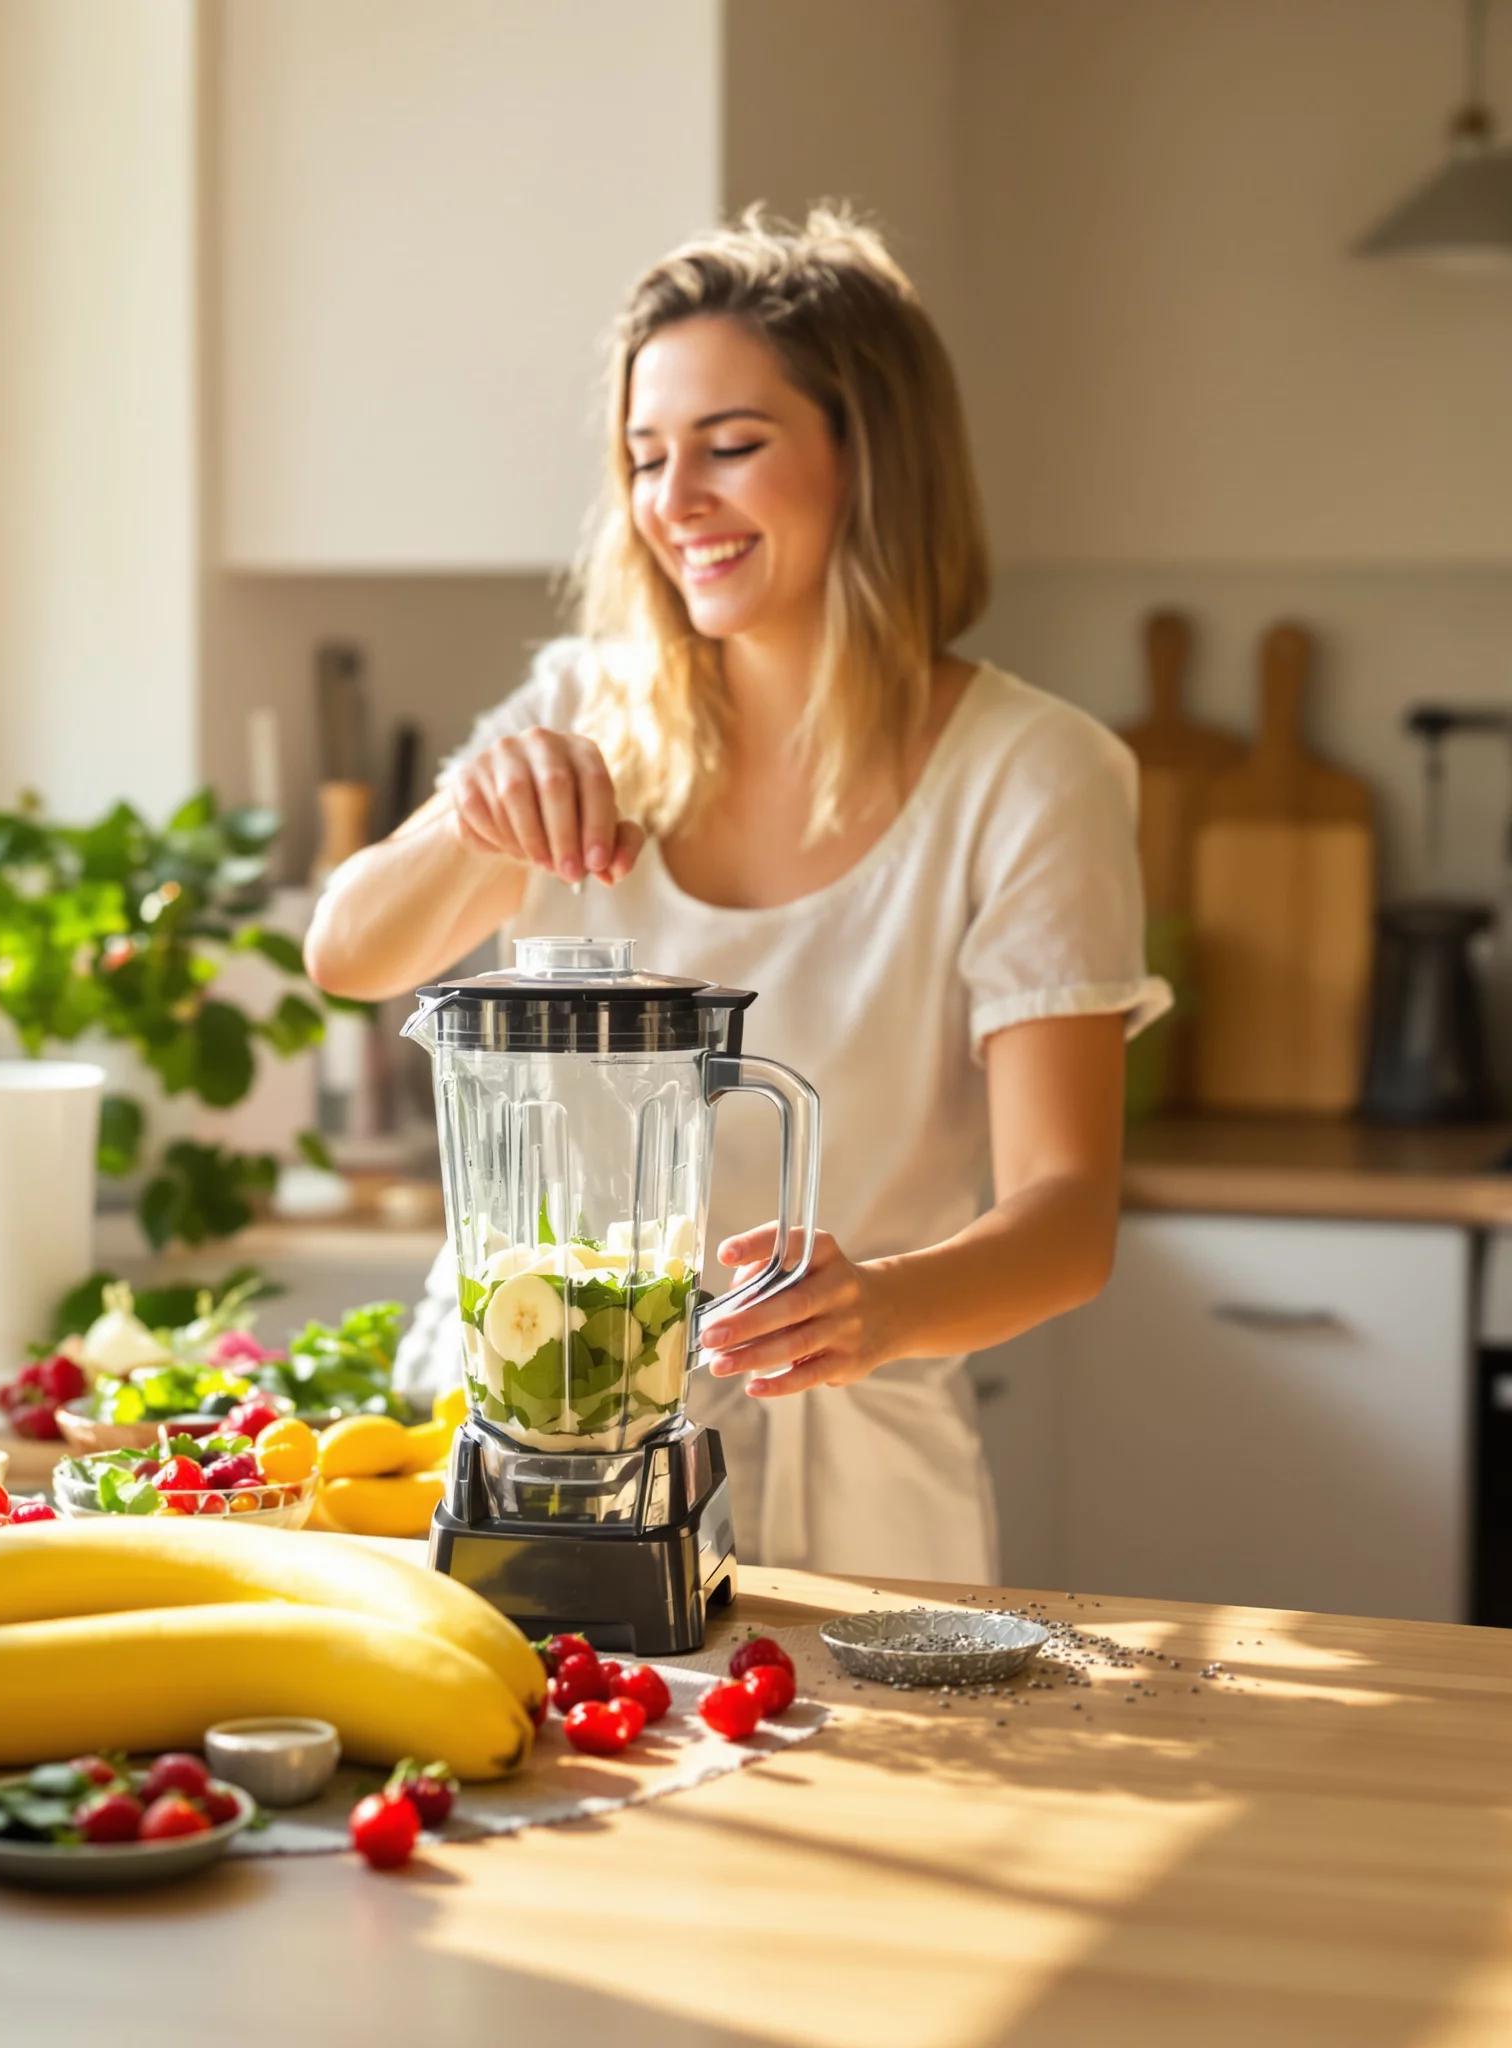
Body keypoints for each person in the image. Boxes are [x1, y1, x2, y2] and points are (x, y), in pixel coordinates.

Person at [304, 208, 1169, 1583]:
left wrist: (874, 1308)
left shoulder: (1033, 772)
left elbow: (1065, 1217)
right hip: (536, 1443)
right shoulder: (582, 715)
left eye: (733, 445)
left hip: (858, 1482)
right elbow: (344, 954)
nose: (676, 500)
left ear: (869, 456)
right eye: (647, 458)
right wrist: (473, 811)